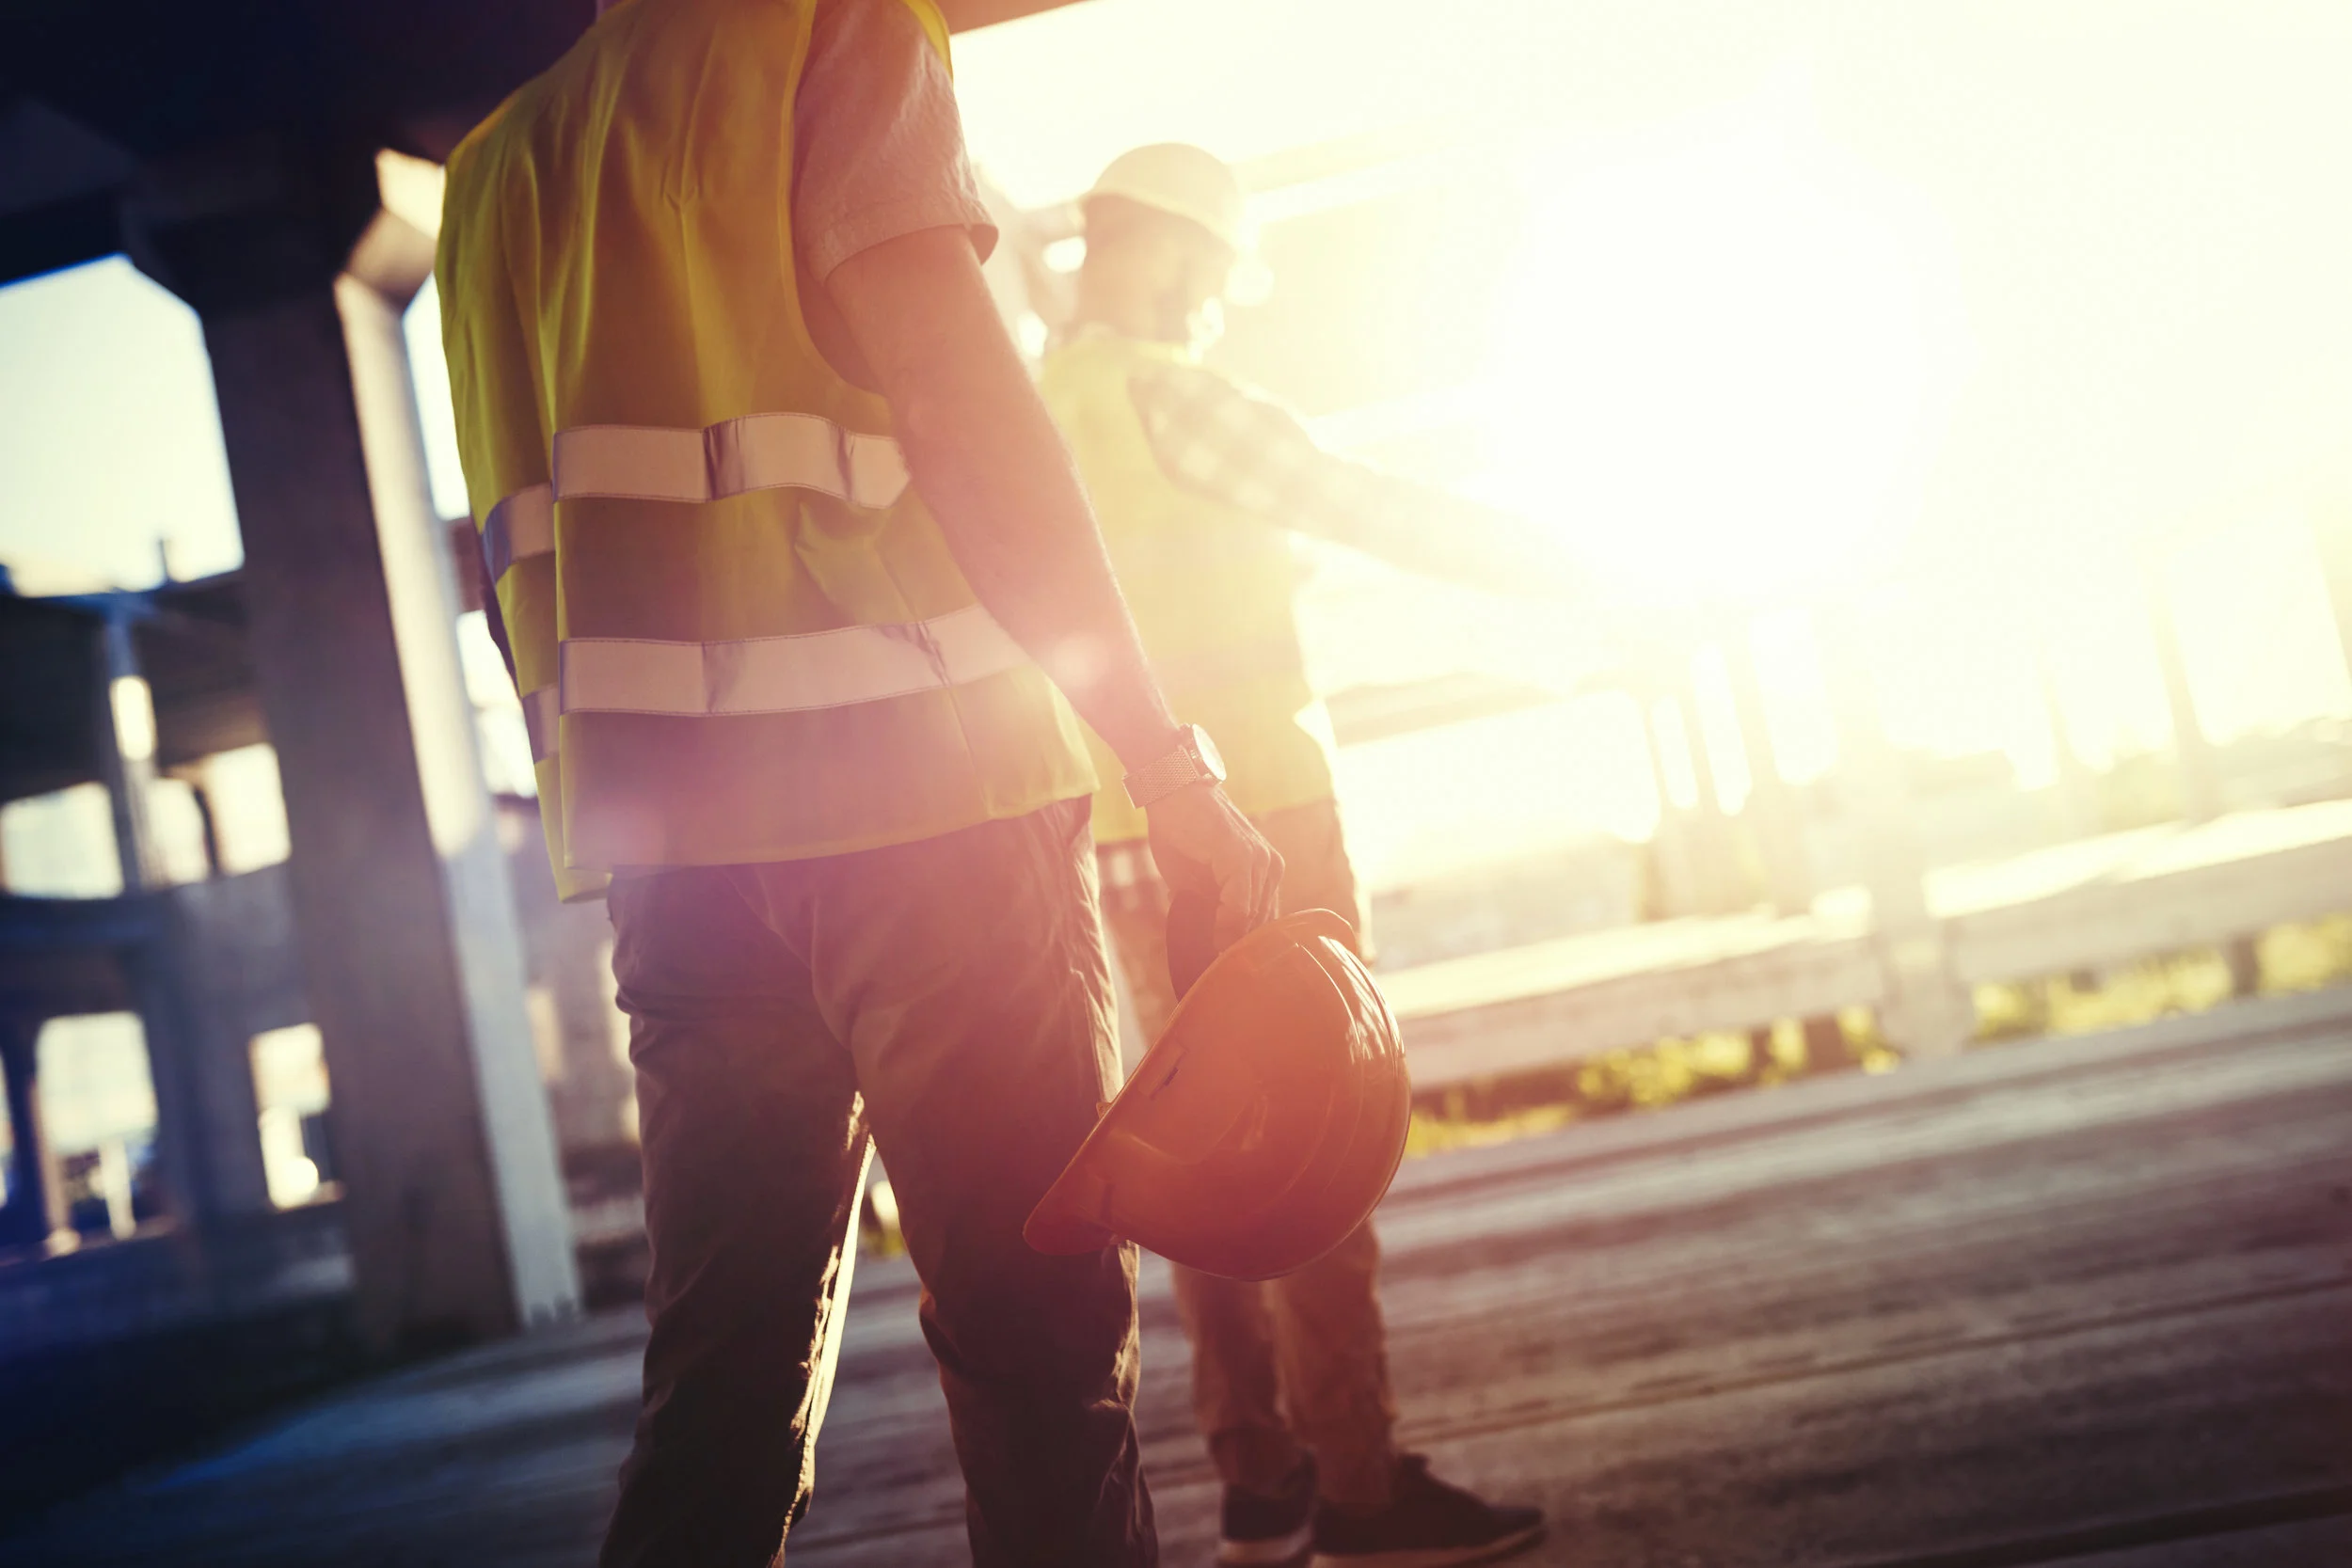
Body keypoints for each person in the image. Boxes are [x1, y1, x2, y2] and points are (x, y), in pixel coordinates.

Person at [436, 8, 1280, 1566]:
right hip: (930, 811)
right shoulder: (827, 35)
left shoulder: (496, 175)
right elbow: (967, 414)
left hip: (677, 860)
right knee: (1037, 1347)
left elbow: (501, 562)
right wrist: (1166, 755)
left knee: (719, 1390)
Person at [1039, 145, 1569, 1568]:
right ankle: (1362, 1489)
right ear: (1170, 258)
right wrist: (1584, 567)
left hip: (1128, 838)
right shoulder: (1173, 391)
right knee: (1316, 1140)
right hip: (1259, 813)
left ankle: (1257, 1475)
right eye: (1212, 280)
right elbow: (1369, 507)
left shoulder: (1036, 407)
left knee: (1196, 1147)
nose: (1215, 308)